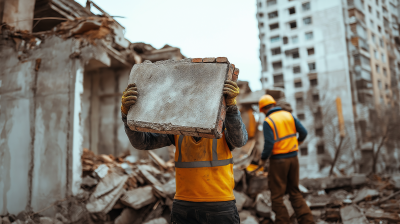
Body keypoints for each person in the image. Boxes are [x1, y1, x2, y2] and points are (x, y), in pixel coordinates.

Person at [120, 80, 248, 224]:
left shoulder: (223, 125)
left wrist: (231, 108)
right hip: (186, 207)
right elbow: (142, 142)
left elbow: (240, 140)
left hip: (217, 206)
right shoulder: (177, 129)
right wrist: (127, 116)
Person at [258, 95, 314, 224]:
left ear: (263, 109)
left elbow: (269, 144)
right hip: (293, 158)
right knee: (295, 192)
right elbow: (303, 132)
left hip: (278, 161)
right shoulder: (289, 115)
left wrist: (263, 159)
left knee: (277, 197)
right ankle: (307, 221)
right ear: (274, 104)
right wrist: (297, 143)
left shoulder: (268, 121)